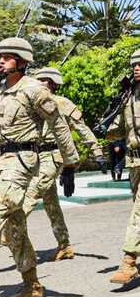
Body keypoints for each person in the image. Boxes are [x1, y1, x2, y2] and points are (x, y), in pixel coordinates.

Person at [0, 38, 78, 297]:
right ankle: (32, 286)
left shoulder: (34, 89)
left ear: (22, 62)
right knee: (15, 228)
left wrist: (69, 163)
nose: (0, 60)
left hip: (22, 162)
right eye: (0, 56)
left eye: (8, 56)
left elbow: (58, 125)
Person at [21, 67, 107, 260]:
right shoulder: (31, 104)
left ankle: (12, 228)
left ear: (52, 83)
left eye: (42, 80)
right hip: (35, 157)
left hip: (53, 156)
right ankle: (65, 245)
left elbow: (82, 129)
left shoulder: (62, 103)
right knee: (51, 204)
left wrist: (97, 151)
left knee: (32, 193)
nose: (38, 83)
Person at [103, 49, 140, 285]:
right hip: (135, 161)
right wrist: (105, 125)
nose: (137, 68)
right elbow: (118, 129)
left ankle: (128, 262)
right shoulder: (129, 95)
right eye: (134, 65)